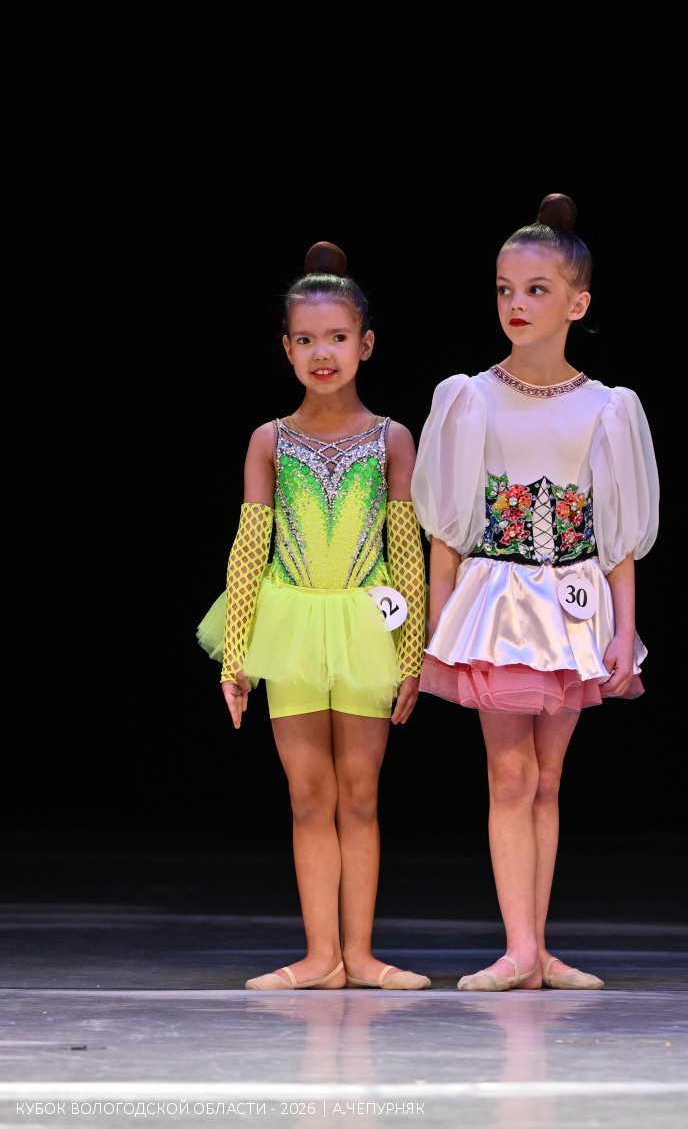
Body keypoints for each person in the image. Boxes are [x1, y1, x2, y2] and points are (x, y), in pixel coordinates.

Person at [411, 195, 658, 991]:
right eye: (503, 289)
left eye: (536, 290)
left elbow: (618, 538)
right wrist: (439, 625)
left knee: (547, 779)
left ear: (576, 304)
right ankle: (518, 948)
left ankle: (536, 948)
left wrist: (623, 633)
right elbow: (446, 529)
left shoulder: (607, 408)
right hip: (498, 603)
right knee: (509, 775)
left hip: (572, 603)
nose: (515, 304)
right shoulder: (470, 397)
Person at [198, 242, 429, 992]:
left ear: (365, 343)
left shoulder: (391, 438)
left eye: (336, 337)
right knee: (308, 796)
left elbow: (405, 550)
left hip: (365, 628)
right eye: (305, 339)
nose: (321, 353)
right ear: (287, 349)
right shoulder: (270, 441)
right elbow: (249, 548)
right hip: (292, 627)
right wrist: (236, 655)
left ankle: (359, 955)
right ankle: (319, 956)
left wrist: (412, 655)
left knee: (360, 795)